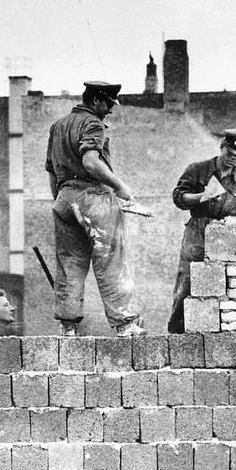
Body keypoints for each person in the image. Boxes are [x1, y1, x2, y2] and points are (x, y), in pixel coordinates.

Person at [45, 80, 145, 338]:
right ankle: (125, 325)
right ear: (97, 100)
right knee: (111, 259)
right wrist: (120, 187)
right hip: (93, 197)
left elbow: (51, 171)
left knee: (69, 264)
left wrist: (63, 200)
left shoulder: (57, 126)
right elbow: (91, 162)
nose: (110, 110)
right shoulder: (93, 123)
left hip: (64, 199)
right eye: (109, 104)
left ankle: (67, 327)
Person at [168, 129, 236, 333]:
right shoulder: (198, 170)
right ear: (222, 147)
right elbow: (178, 197)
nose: (232, 159)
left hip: (226, 239)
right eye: (229, 154)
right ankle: (176, 334)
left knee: (223, 288)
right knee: (187, 284)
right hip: (197, 233)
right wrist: (200, 197)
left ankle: (211, 336)